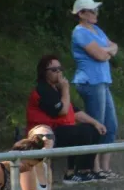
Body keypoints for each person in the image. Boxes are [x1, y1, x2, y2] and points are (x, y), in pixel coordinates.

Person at [26, 55, 106, 183]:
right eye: (54, 70)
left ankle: (85, 170)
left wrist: (96, 123)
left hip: (60, 130)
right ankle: (69, 173)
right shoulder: (43, 90)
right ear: (44, 73)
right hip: (44, 135)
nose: (58, 72)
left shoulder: (57, 90)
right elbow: (62, 111)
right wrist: (66, 89)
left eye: (60, 69)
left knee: (93, 130)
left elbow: (74, 111)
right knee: (79, 132)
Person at [71, 0, 120, 179]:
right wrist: (107, 51)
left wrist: (106, 51)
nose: (95, 14)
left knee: (111, 125)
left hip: (103, 82)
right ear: (82, 14)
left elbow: (114, 47)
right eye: (92, 11)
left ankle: (105, 168)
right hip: (90, 82)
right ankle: (94, 167)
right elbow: (101, 55)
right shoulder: (80, 32)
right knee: (97, 124)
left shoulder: (96, 29)